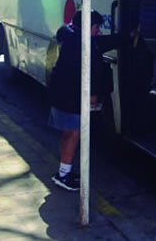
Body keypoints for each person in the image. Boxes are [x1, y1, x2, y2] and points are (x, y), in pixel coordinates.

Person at [47, 10, 116, 191]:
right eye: (96, 27)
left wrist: (126, 36)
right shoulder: (81, 46)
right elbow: (84, 73)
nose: (98, 31)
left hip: (62, 95)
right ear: (87, 27)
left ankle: (64, 171)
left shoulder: (73, 38)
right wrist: (92, 95)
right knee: (73, 134)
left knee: (68, 133)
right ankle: (63, 175)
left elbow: (101, 42)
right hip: (70, 97)